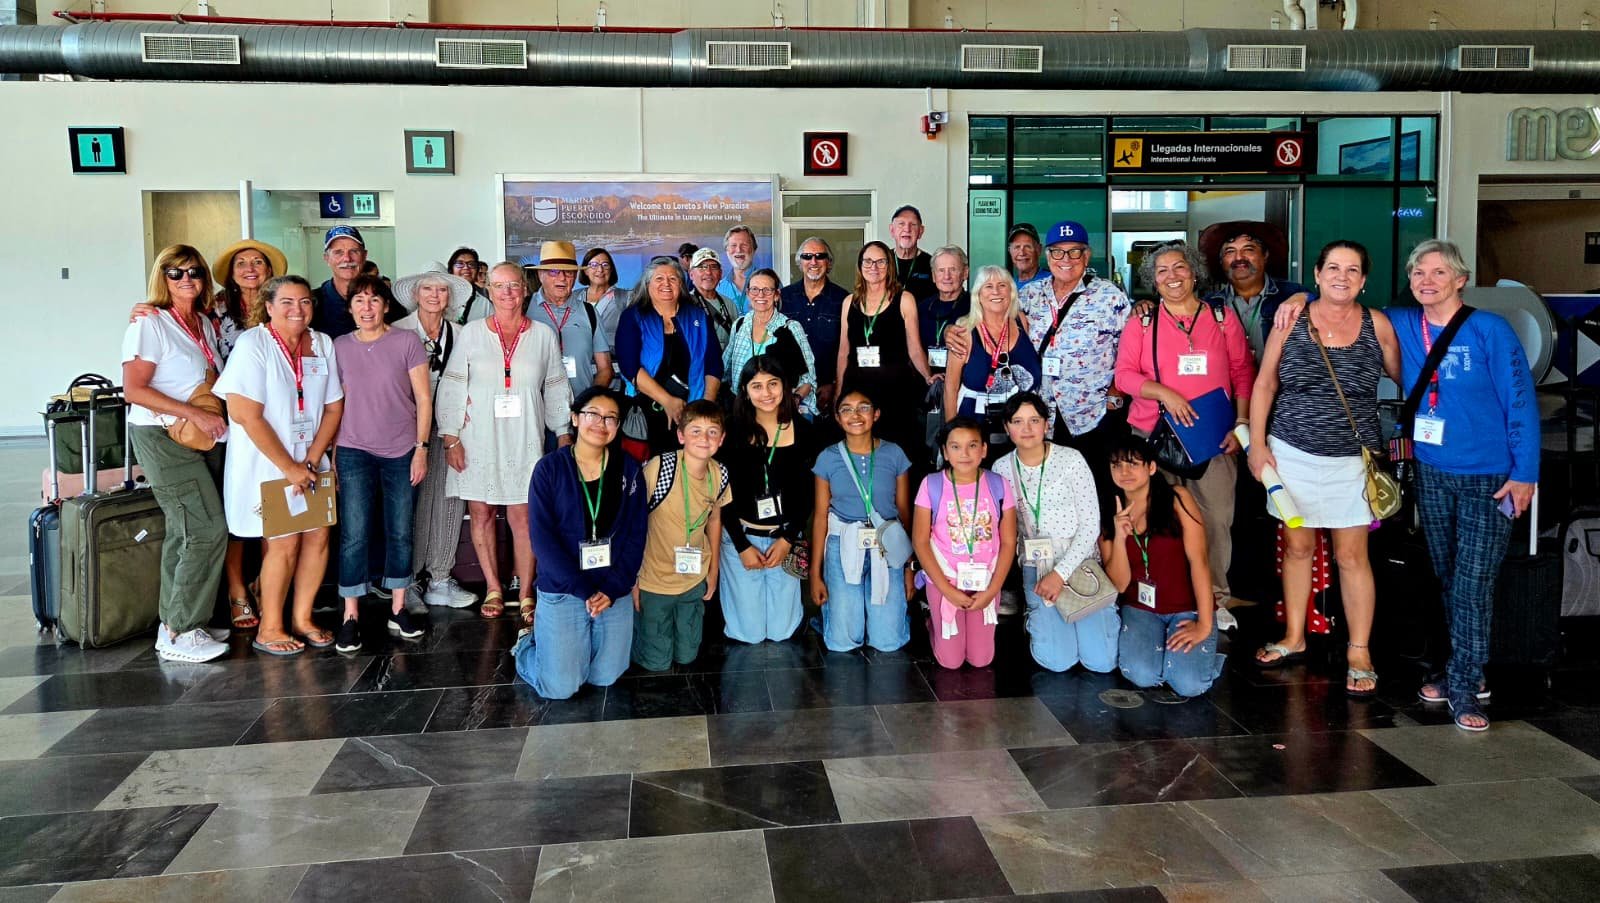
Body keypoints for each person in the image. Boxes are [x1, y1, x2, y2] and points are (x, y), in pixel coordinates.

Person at [1276, 241, 1537, 730]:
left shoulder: (1490, 330)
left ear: (1460, 279)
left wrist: (1524, 472)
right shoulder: (1400, 323)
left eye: (1439, 273)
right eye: (1419, 273)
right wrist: (1293, 300)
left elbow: (1521, 403)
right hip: (1432, 469)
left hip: (1491, 475)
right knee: (1443, 574)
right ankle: (1451, 666)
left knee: (1473, 582)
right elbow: (1336, 298)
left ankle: (1466, 685)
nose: (1427, 280)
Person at [1248, 240, 1400, 697]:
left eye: (1352, 270)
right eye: (1333, 267)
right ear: (1315, 274)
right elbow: (1265, 385)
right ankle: (1294, 636)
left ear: (1364, 280)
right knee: (1297, 548)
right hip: (1292, 452)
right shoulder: (1292, 318)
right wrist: (1257, 446)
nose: (1342, 276)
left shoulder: (1378, 325)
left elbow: (1407, 377)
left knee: (1352, 556)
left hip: (1353, 459)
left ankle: (1359, 649)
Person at [950, 220, 1132, 509]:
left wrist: (1116, 393)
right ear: (1047, 256)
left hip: (1091, 414)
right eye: (1058, 252)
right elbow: (991, 316)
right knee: (1047, 493)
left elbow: (1133, 349)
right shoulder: (1031, 296)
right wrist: (955, 330)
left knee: (1097, 494)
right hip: (1040, 416)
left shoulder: (1110, 297)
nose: (1066, 260)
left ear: (1087, 256)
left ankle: (1098, 553)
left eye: (1075, 252)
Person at [1114, 240, 1255, 614]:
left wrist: (1242, 424)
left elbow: (1242, 372)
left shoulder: (1221, 318)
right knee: (1155, 520)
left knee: (1215, 519)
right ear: (1153, 281)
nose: (1172, 277)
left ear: (1194, 273)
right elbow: (1124, 375)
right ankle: (1162, 594)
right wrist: (1164, 393)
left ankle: (1215, 599)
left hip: (1213, 438)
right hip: (1153, 437)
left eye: (1179, 268)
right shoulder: (1142, 322)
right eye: (1162, 271)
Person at [436, 262, 574, 626]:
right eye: (500, 286)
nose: (508, 293)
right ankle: (494, 587)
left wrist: (562, 431)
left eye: (514, 286)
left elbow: (556, 384)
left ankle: (526, 590)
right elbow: (452, 385)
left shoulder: (543, 334)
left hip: (525, 437)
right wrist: (451, 438)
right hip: (477, 436)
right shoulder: (471, 333)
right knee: (480, 513)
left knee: (523, 517)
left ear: (525, 290)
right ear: (489, 291)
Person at [213, 275, 345, 656]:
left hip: (310, 460)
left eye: (304, 302)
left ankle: (302, 618)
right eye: (286, 302)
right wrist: (289, 467)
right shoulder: (253, 344)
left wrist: (312, 458)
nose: (297, 310)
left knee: (318, 536)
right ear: (268, 307)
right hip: (268, 465)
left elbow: (334, 405)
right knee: (283, 542)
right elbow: (243, 413)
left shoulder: (322, 343)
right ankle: (270, 627)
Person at [121, 245, 231, 662]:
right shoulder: (150, 323)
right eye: (175, 272)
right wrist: (194, 415)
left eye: (194, 272)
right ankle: (181, 630)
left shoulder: (201, 321)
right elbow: (134, 389)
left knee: (184, 528)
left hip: (201, 435)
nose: (186, 279)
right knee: (205, 528)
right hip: (163, 435)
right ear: (161, 277)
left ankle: (180, 618)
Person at [517, 386, 647, 699]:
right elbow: (543, 541)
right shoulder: (549, 469)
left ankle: (567, 651)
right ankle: (525, 646)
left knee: (606, 677)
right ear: (575, 418)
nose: (601, 424)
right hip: (564, 588)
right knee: (560, 688)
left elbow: (636, 533)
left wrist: (614, 587)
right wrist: (584, 590)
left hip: (611, 587)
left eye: (611, 418)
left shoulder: (628, 469)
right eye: (592, 414)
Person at [329, 274, 432, 653]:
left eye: (374, 300)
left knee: (400, 530)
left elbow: (423, 398)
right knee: (354, 533)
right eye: (359, 301)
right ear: (350, 307)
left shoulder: (406, 342)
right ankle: (350, 615)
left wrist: (422, 447)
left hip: (402, 448)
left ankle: (399, 607)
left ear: (386, 306)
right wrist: (334, 455)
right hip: (354, 448)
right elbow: (333, 404)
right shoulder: (338, 346)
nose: (367, 307)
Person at [993, 393, 1116, 673]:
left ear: (1046, 424)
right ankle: (1034, 615)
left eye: (1034, 420)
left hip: (1078, 561)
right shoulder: (1001, 468)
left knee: (1101, 662)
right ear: (1006, 427)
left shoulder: (1071, 459)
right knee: (1057, 661)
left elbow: (1090, 525)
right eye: (1018, 421)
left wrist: (1060, 574)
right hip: (1036, 564)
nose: (1026, 429)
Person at [1101, 435, 1223, 698]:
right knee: (1141, 675)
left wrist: (1203, 623)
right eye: (1117, 465)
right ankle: (1173, 660)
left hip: (1186, 607)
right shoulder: (1109, 511)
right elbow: (1120, 585)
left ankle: (1202, 656)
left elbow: (1199, 561)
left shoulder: (1177, 498)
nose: (1124, 472)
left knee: (1190, 685)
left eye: (1133, 464)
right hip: (1140, 608)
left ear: (1151, 468)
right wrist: (1120, 538)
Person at [392, 266, 479, 610]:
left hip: (450, 427)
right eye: (427, 288)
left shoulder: (462, 333)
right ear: (416, 294)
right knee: (409, 505)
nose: (434, 295)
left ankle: (440, 577)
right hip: (405, 430)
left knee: (448, 498)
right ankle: (408, 581)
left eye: (441, 290)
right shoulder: (397, 332)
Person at [719, 356, 817, 644]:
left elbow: (807, 493)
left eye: (773, 384)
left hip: (784, 537)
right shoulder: (731, 431)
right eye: (757, 386)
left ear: (785, 387)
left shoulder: (804, 431)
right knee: (747, 634)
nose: (766, 394)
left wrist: (788, 538)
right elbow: (721, 496)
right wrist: (741, 545)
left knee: (781, 633)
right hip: (741, 537)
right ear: (745, 391)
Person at [810, 385, 914, 653]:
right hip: (842, 543)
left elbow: (904, 513)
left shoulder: (894, 454)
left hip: (887, 545)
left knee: (887, 642)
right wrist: (815, 574)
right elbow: (821, 517)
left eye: (863, 408)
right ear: (837, 418)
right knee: (842, 642)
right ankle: (833, 618)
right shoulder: (827, 458)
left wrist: (909, 568)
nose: (855, 415)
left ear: (876, 414)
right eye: (846, 409)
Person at [913, 417, 1017, 669]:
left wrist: (992, 591)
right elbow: (920, 541)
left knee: (981, 660)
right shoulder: (932, 485)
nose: (964, 454)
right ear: (945, 452)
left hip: (985, 581)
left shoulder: (998, 485)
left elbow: (1008, 541)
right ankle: (933, 621)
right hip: (945, 580)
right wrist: (948, 590)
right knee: (951, 662)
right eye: (955, 447)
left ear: (983, 449)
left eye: (972, 445)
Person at [634, 400, 731, 671]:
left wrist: (713, 571)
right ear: (680, 435)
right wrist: (634, 579)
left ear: (721, 439)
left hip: (693, 578)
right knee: (656, 662)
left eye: (712, 432)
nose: (704, 438)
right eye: (695, 431)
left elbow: (714, 520)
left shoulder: (719, 474)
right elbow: (634, 521)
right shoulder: (660, 468)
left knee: (687, 655)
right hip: (655, 579)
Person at [615, 257, 725, 457]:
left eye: (673, 279)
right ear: (647, 285)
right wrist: (667, 401)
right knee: (651, 475)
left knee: (691, 471)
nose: (666, 284)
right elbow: (628, 365)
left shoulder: (698, 316)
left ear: (681, 285)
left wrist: (704, 407)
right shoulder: (633, 316)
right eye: (659, 279)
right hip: (648, 411)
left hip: (692, 411)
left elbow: (714, 364)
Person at [837, 241, 934, 467]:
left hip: (895, 393)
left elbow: (915, 348)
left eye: (880, 261)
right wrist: (838, 393)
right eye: (868, 261)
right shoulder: (849, 302)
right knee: (862, 454)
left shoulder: (904, 299)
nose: (874, 267)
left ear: (889, 266)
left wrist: (928, 376)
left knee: (897, 454)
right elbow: (844, 352)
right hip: (858, 392)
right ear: (860, 266)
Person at [944, 265, 1041, 458]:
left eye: (1002, 285)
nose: (996, 291)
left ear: (1012, 292)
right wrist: (952, 435)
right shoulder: (964, 332)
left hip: (1022, 426)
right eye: (988, 286)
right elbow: (950, 387)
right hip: (975, 423)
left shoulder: (1022, 321)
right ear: (978, 295)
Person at [1198, 221, 1305, 361]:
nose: (1239, 258)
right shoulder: (1209, 305)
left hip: (1280, 382)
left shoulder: (1291, 294)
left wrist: (1305, 297)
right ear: (1221, 261)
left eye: (1248, 249)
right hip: (1229, 382)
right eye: (1230, 251)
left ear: (1265, 255)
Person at [527, 240, 615, 404]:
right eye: (553, 271)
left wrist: (587, 405)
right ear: (540, 275)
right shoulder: (524, 310)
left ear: (575, 276)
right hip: (534, 414)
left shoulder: (589, 312)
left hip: (578, 415)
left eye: (568, 272)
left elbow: (605, 370)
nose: (562, 277)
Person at [723, 268, 817, 414]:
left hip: (779, 412)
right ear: (748, 294)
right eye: (754, 289)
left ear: (776, 295)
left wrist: (794, 400)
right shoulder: (740, 325)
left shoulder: (790, 328)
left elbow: (809, 378)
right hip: (743, 411)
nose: (760, 295)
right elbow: (726, 368)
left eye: (767, 290)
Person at [779, 236, 847, 415]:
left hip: (828, 393)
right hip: (790, 394)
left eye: (820, 256)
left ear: (829, 262)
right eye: (807, 256)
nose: (813, 261)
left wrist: (835, 385)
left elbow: (848, 348)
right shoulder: (783, 298)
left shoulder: (843, 300)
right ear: (799, 263)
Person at [314, 226, 399, 337]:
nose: (347, 259)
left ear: (364, 256)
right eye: (338, 252)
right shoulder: (313, 303)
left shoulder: (388, 299)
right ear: (326, 258)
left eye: (354, 251)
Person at [921, 246, 972, 381]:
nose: (947, 276)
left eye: (953, 270)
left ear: (965, 273)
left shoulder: (975, 306)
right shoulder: (923, 307)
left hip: (963, 382)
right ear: (933, 275)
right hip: (927, 383)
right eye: (941, 270)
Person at [577, 247, 625, 353]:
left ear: (611, 270)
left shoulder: (625, 297)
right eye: (594, 265)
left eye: (605, 265)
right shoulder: (574, 297)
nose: (600, 270)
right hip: (581, 362)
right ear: (585, 270)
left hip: (614, 362)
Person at [688, 247, 739, 348]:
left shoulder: (730, 305)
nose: (708, 272)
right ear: (691, 274)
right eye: (702, 267)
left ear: (720, 274)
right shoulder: (685, 305)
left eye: (714, 267)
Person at [888, 204, 936, 300]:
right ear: (892, 230)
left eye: (913, 224)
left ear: (920, 231)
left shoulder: (932, 264)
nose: (907, 229)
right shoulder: (881, 261)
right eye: (901, 224)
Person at [447, 246, 491, 324]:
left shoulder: (485, 304)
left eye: (471, 264)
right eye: (460, 264)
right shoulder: (441, 297)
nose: (466, 267)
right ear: (451, 269)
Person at [719, 225, 758, 312]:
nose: (738, 250)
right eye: (733, 245)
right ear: (727, 251)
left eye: (744, 245)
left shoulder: (771, 282)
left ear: (754, 249)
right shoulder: (719, 288)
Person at [1007, 223, 1047, 288]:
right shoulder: (1008, 286)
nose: (1022, 253)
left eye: (1027, 247)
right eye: (1017, 247)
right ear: (1010, 251)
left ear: (1039, 249)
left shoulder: (1053, 281)